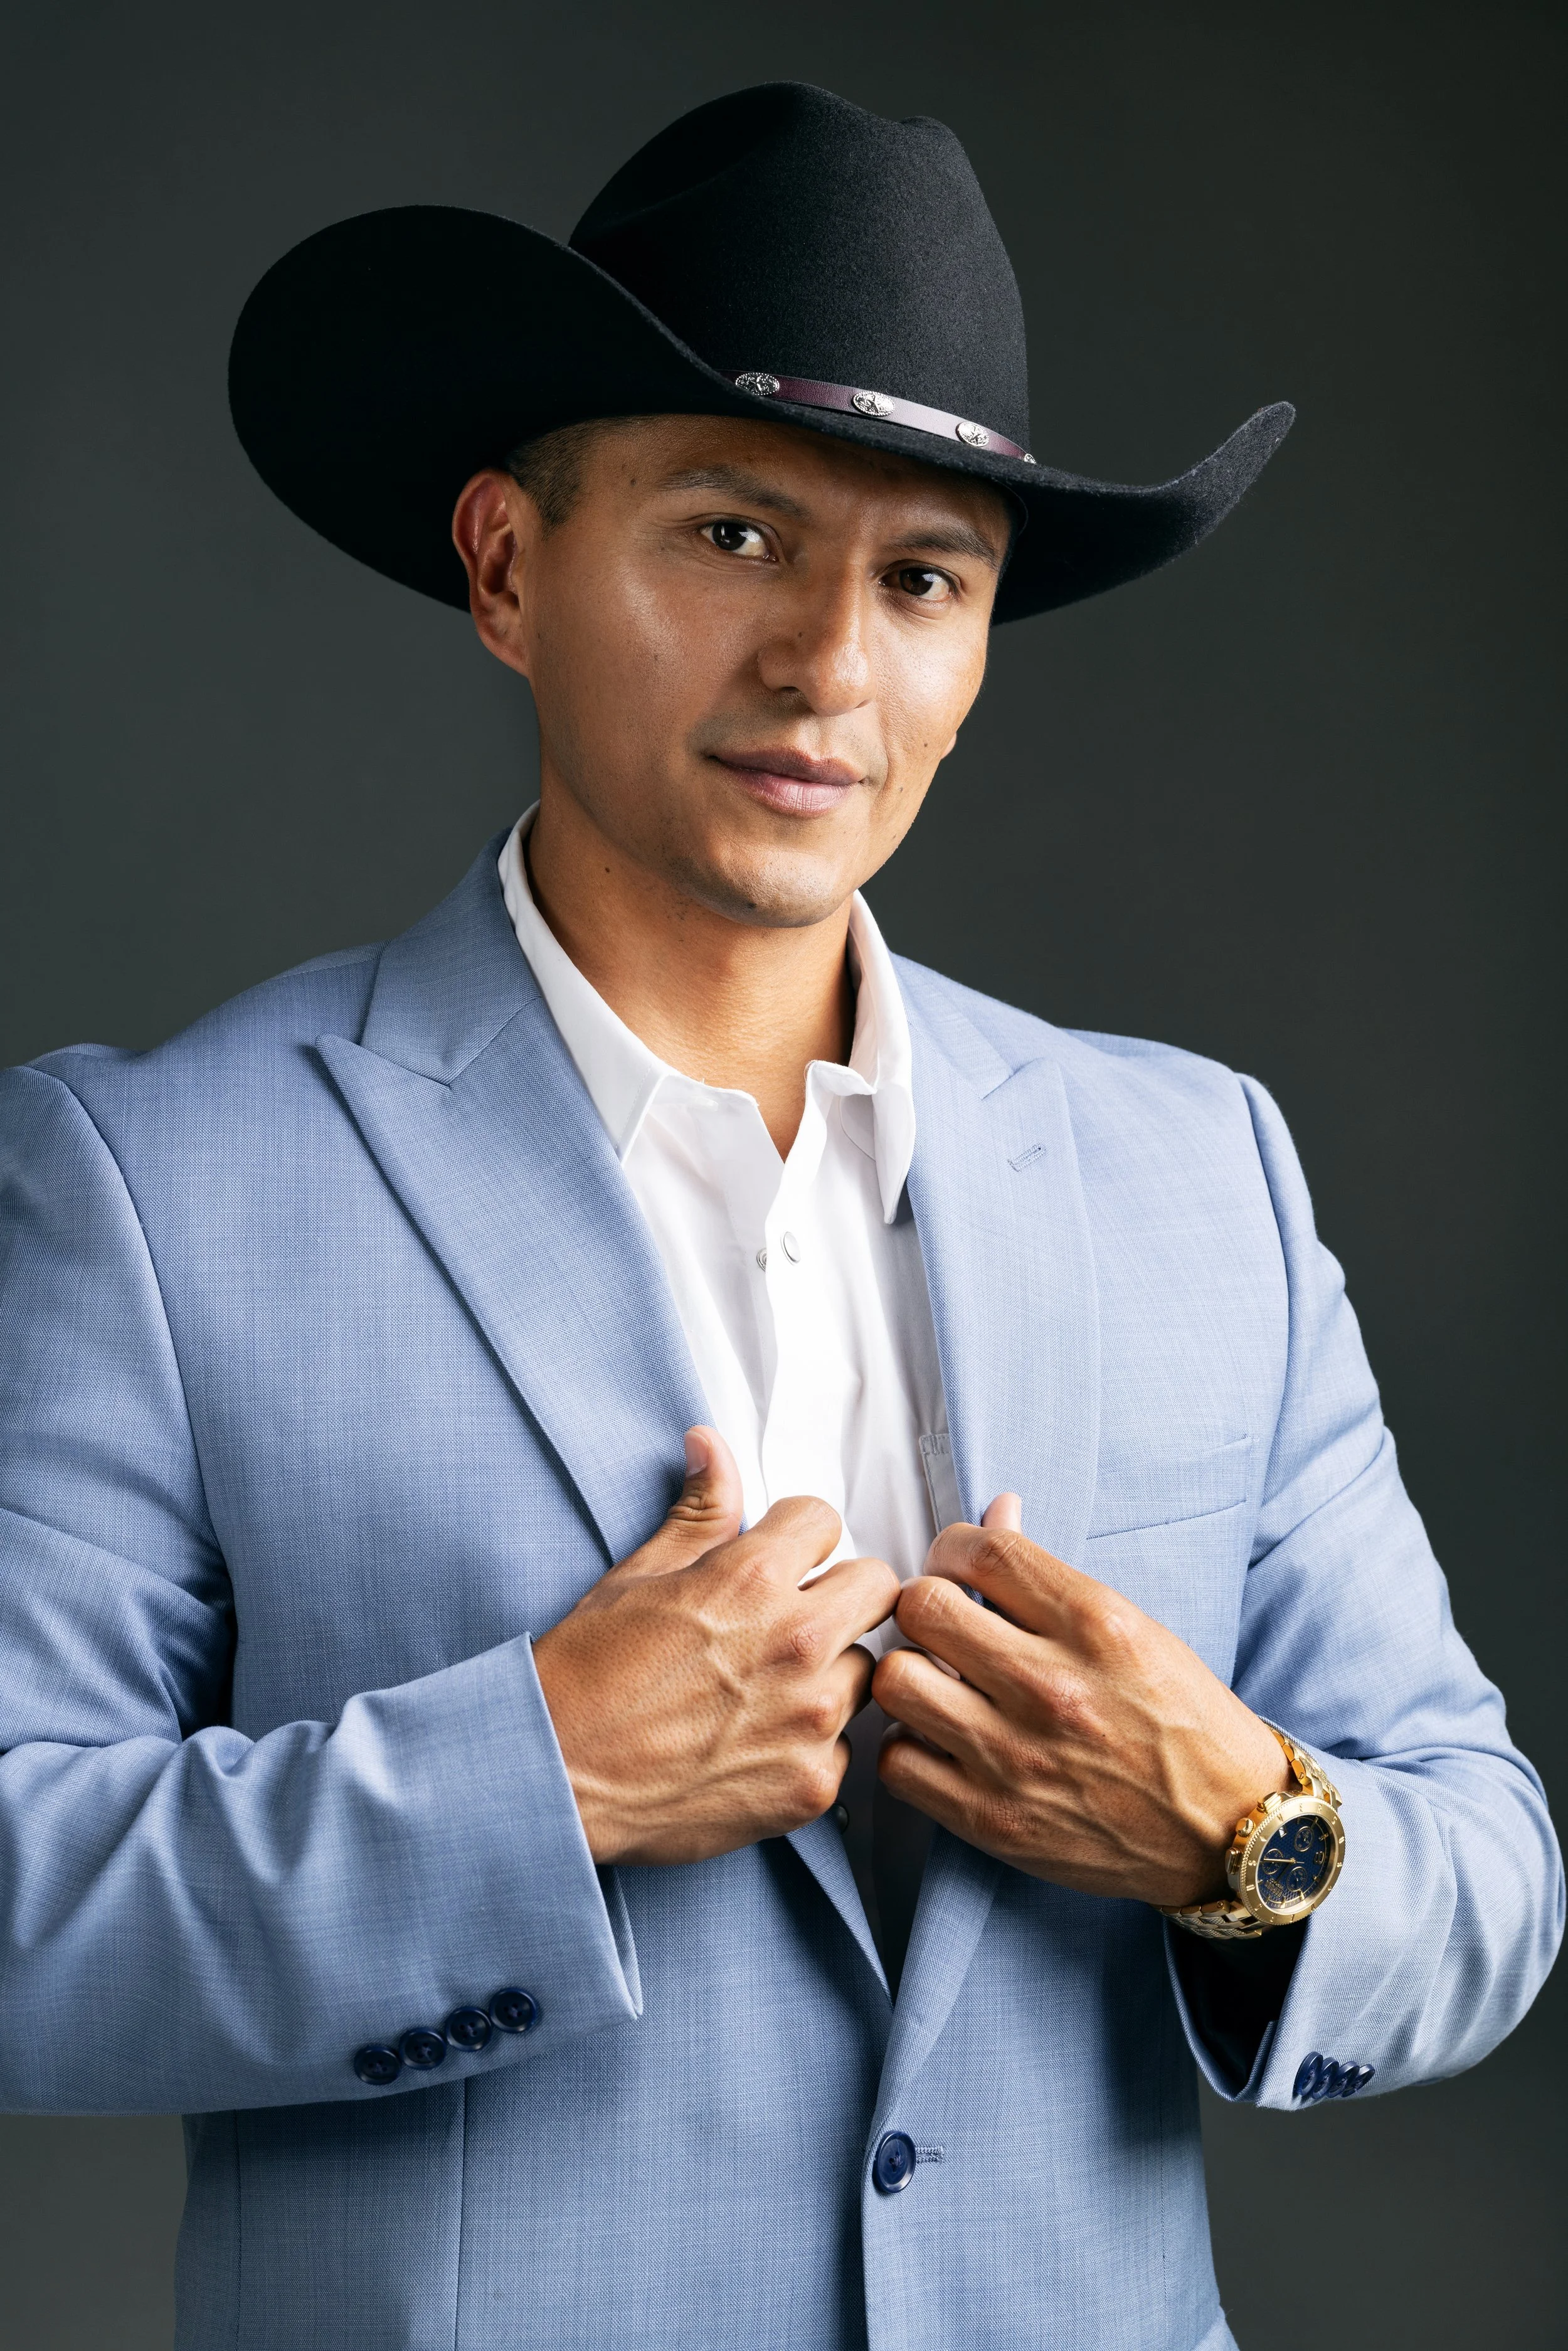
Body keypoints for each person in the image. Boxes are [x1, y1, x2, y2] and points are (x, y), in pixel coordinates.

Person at [0, 80, 1558, 2351]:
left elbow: (1490, 1869)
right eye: (733, 535)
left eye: (922, 577)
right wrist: (537, 1778)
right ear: (508, 568)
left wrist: (1242, 1825)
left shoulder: (1195, 1170)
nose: (830, 657)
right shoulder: (157, 1186)